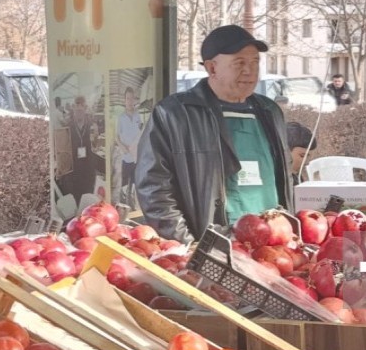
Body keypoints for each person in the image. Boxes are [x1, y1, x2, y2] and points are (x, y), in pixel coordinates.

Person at [135, 25, 292, 243]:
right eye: (239, 63)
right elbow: (154, 188)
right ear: (212, 68)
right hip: (214, 244)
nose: (249, 71)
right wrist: (189, 244)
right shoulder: (175, 113)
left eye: (255, 62)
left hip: (272, 240)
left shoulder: (269, 111)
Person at [66, 95, 99, 204]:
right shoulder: (68, 127)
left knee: (88, 200)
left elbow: (96, 146)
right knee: (76, 201)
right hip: (74, 171)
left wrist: (96, 138)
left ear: (85, 108)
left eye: (82, 108)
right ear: (74, 108)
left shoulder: (92, 126)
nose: (79, 110)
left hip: (88, 170)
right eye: (77, 108)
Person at [114, 86, 143, 207]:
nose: (130, 101)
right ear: (124, 101)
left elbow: (141, 133)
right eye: (127, 98)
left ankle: (134, 207)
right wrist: (122, 147)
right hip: (126, 157)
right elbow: (116, 136)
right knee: (125, 185)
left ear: (134, 100)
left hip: (137, 158)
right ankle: (124, 208)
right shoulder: (121, 118)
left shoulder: (138, 116)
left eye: (132, 98)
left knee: (136, 185)